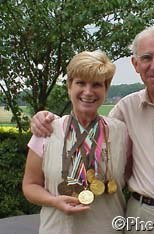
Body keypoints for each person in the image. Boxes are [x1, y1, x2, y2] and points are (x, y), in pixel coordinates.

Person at [30, 25, 154, 234]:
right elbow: (90, 131)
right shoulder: (124, 110)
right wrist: (47, 119)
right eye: (146, 58)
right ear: (135, 64)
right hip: (140, 219)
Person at [23, 50, 129, 234]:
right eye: (81, 83)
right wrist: (53, 201)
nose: (88, 92)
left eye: (96, 84)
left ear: (105, 89)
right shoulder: (46, 130)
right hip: (58, 229)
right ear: (69, 86)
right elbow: (30, 185)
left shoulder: (121, 132)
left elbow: (129, 178)